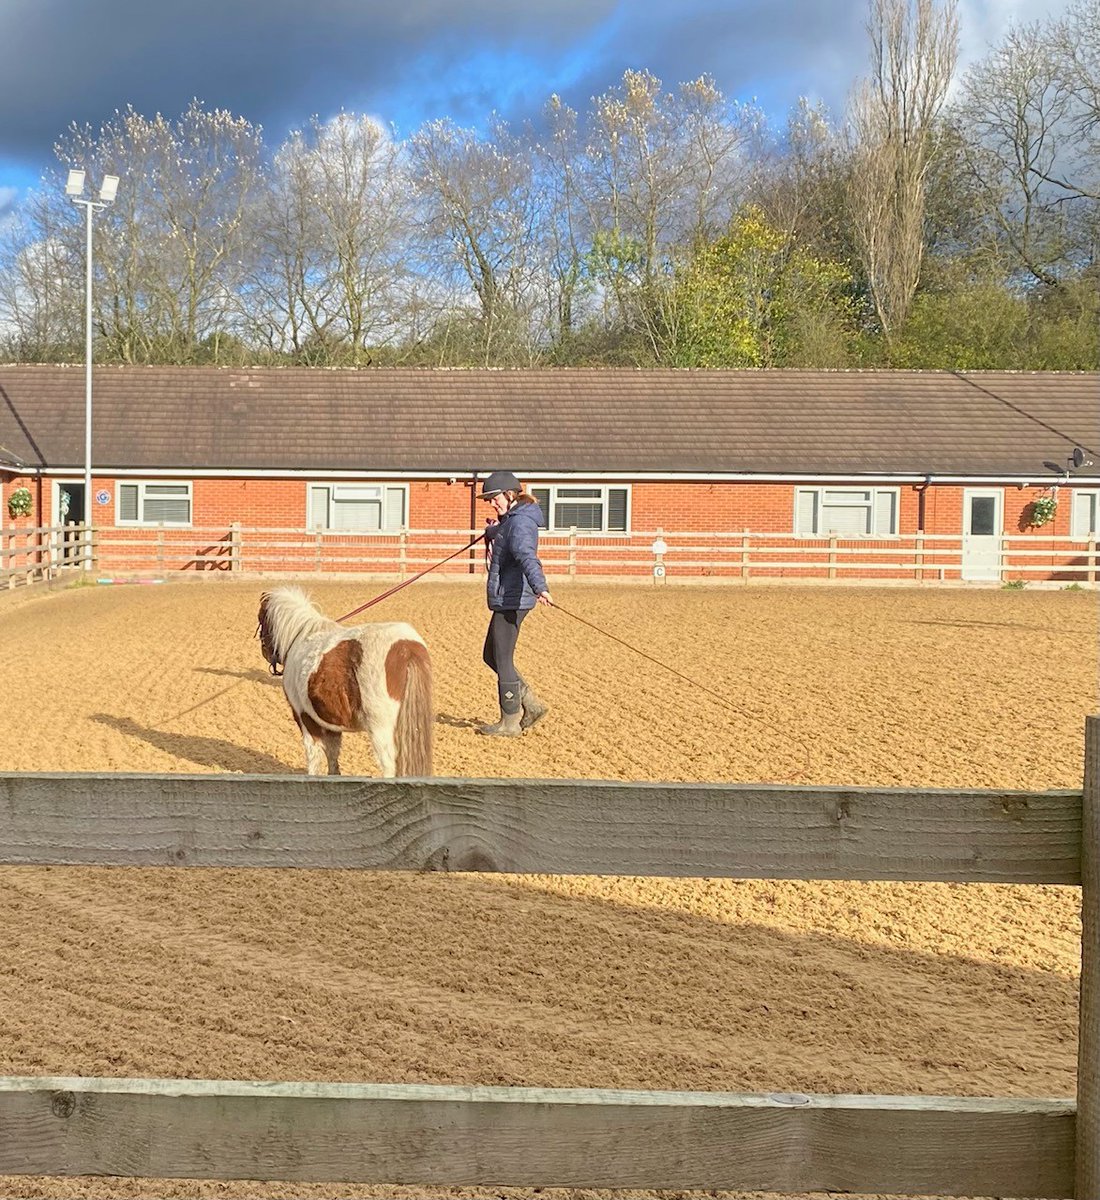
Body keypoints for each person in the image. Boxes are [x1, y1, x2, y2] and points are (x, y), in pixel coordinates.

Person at [476, 470, 553, 737]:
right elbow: (503, 529)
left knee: (502, 657)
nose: (492, 503)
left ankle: (510, 721)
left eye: (494, 498)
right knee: (490, 655)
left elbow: (525, 555)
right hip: (507, 596)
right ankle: (531, 705)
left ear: (509, 494)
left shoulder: (520, 524)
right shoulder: (512, 520)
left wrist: (540, 587)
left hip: (513, 599)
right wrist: (490, 531)